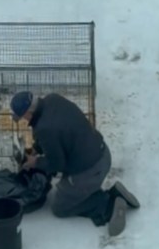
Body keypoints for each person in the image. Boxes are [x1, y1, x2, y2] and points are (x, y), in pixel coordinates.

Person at [10, 91, 140, 236]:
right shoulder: (53, 99)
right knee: (71, 191)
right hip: (102, 154)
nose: (23, 120)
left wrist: (35, 162)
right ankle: (105, 193)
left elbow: (57, 164)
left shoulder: (44, 128)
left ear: (29, 112)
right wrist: (36, 149)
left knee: (60, 208)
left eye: (22, 117)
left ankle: (109, 203)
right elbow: (57, 133)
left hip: (90, 170)